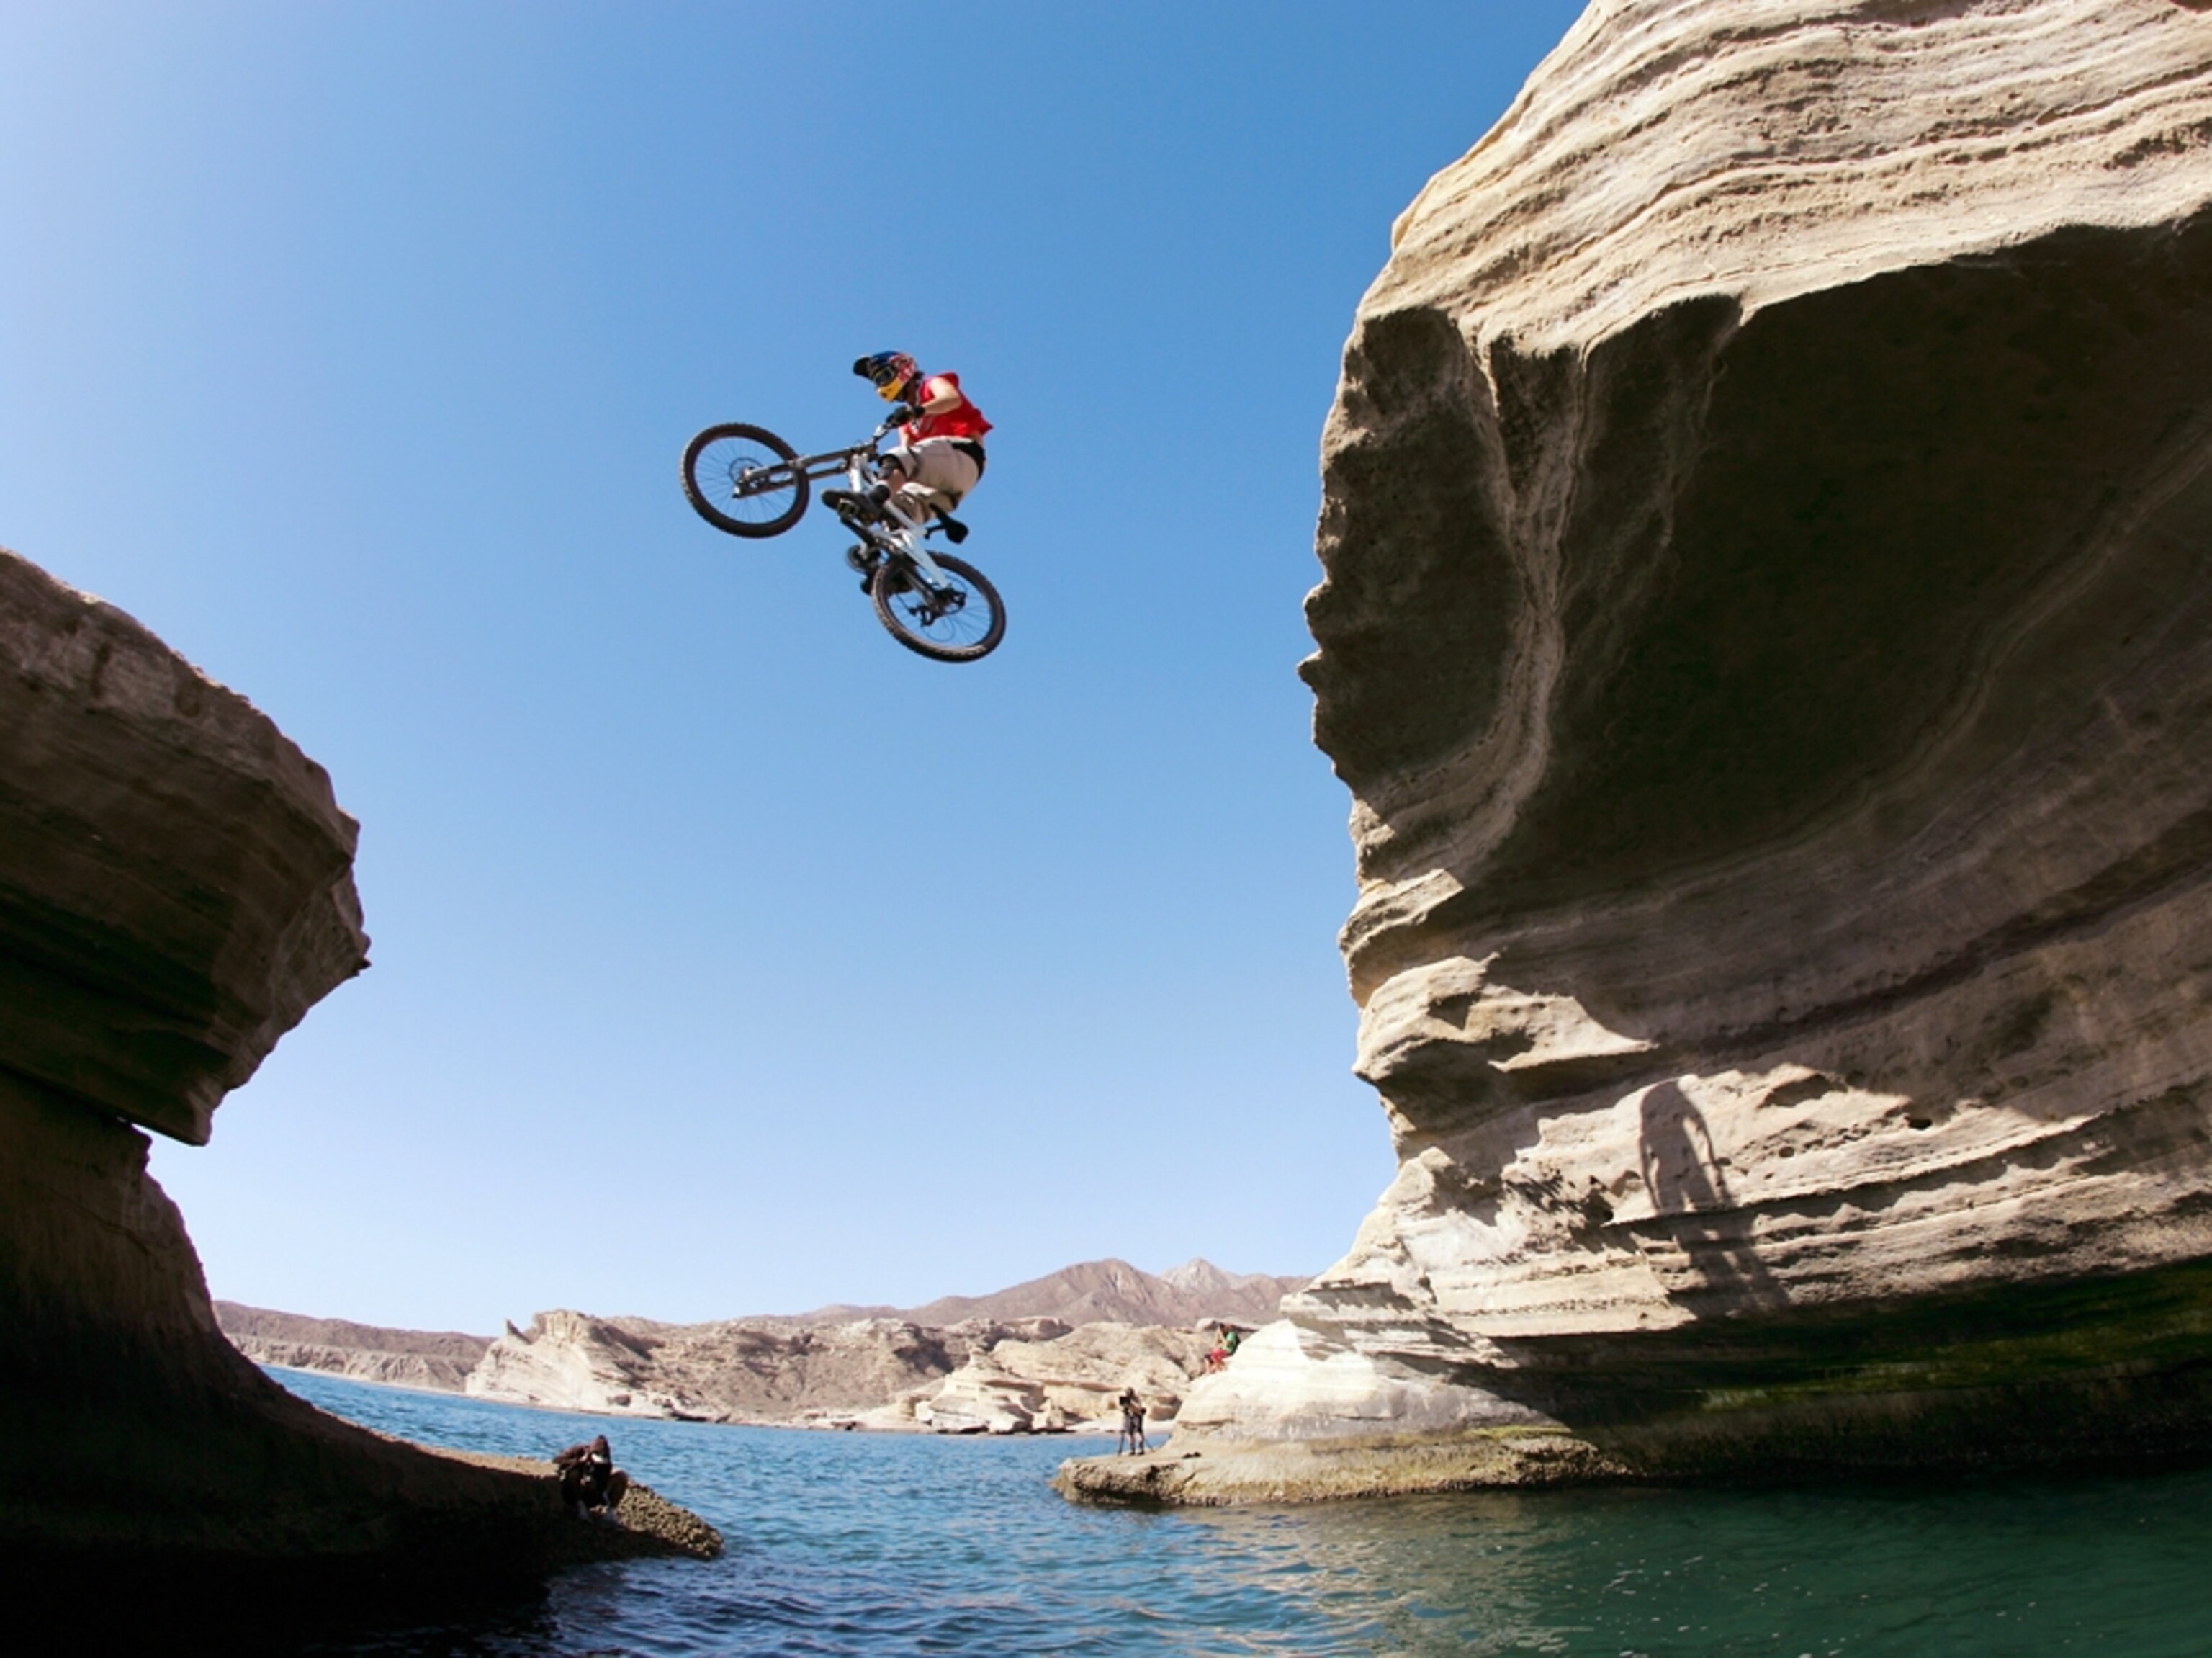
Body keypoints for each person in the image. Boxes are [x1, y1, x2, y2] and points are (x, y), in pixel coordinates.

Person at [850, 351, 992, 541]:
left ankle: (874, 498)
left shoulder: (932, 384)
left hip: (965, 455)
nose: (881, 386)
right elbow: (906, 464)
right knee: (898, 511)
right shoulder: (907, 424)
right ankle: (897, 563)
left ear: (902, 369)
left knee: (898, 459)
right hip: (948, 483)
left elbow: (951, 399)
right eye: (878, 382)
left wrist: (919, 411)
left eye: (884, 377)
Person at [553, 1433, 631, 1522]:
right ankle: (579, 1506)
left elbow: (604, 1479)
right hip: (573, 1491)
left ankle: (610, 1512)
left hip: (594, 1492)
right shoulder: (578, 1450)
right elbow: (557, 1461)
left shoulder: (606, 1463)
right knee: (573, 1473)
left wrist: (598, 1486)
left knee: (621, 1476)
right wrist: (579, 1462)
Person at [1117, 1386, 1147, 1456]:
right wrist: (1125, 1408)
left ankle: (1141, 1448)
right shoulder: (1127, 1400)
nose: (1128, 1394)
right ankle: (1132, 1449)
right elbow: (1123, 1408)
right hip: (1129, 1417)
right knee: (1129, 1434)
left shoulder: (1136, 1399)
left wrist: (1131, 1404)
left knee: (1138, 1432)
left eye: (1129, 1393)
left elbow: (1139, 1408)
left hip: (1136, 1416)